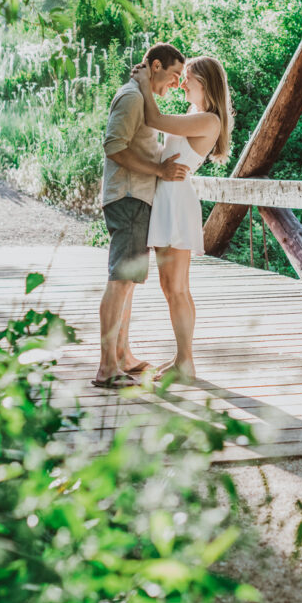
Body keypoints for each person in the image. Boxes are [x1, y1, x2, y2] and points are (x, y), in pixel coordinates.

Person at [131, 55, 233, 382]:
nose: (182, 82)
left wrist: (143, 79)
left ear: (204, 83)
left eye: (187, 77)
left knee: (176, 288)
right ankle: (181, 358)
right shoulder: (194, 114)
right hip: (166, 197)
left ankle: (185, 362)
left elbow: (154, 118)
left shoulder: (208, 120)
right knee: (170, 286)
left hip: (176, 201)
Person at [94, 42, 187, 388]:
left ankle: (122, 355)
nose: (176, 84)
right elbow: (113, 147)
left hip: (136, 200)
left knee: (128, 283)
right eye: (175, 75)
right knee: (119, 282)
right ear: (157, 66)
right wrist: (158, 170)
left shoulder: (140, 95)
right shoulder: (132, 97)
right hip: (129, 198)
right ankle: (106, 368)